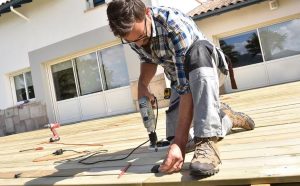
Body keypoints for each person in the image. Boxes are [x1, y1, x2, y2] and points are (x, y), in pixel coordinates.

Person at [107, 0, 255, 176]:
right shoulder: (133, 32)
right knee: (177, 138)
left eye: (142, 38)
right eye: (130, 41)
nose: (138, 44)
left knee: (198, 50)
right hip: (180, 80)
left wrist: (180, 143)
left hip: (208, 69)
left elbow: (187, 88)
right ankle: (227, 119)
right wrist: (142, 85)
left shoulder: (173, 25)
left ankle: (208, 142)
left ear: (147, 13)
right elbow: (148, 60)